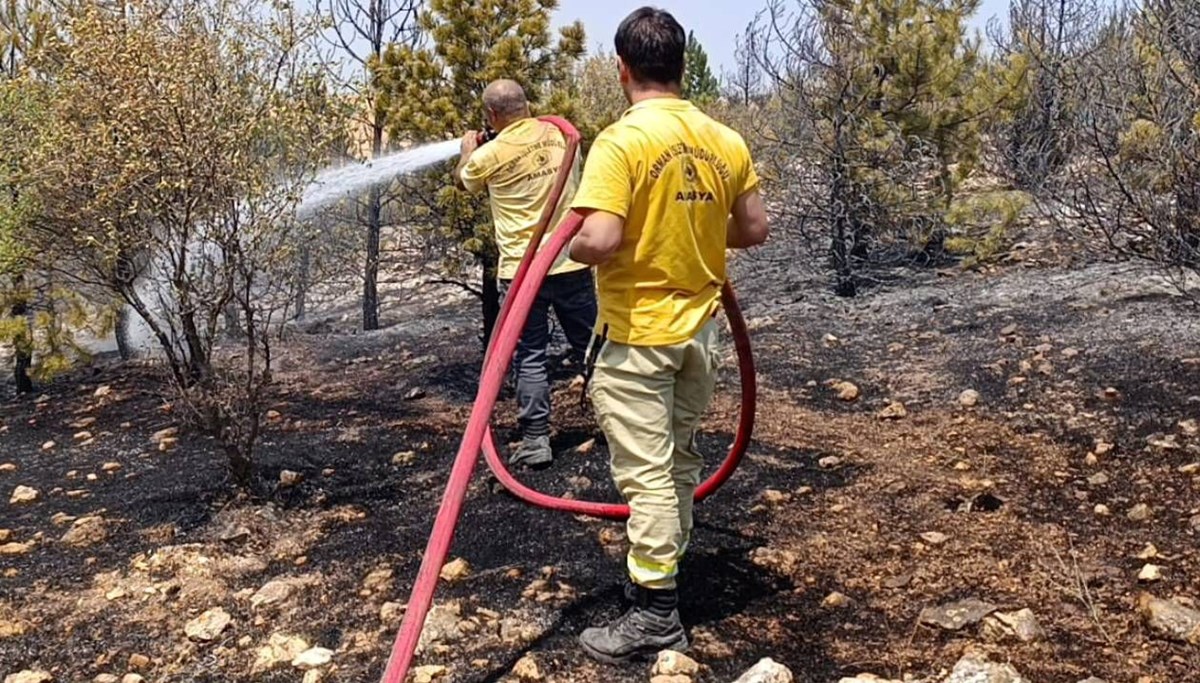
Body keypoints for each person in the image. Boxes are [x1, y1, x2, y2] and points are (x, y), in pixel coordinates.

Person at [567, 7, 770, 663]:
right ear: (681, 66)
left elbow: (599, 238)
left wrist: (556, 241)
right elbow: (753, 227)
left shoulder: (621, 142)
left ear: (622, 69)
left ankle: (656, 611)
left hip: (633, 338)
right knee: (679, 461)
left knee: (648, 477)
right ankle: (662, 571)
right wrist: (695, 229)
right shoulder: (724, 139)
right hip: (698, 335)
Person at [456, 79, 598, 469]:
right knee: (592, 347)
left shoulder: (490, 154)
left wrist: (469, 149)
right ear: (527, 104)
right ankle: (620, 425)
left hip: (522, 272)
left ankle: (536, 441)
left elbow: (465, 181)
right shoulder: (560, 136)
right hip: (571, 261)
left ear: (491, 115)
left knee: (530, 355)